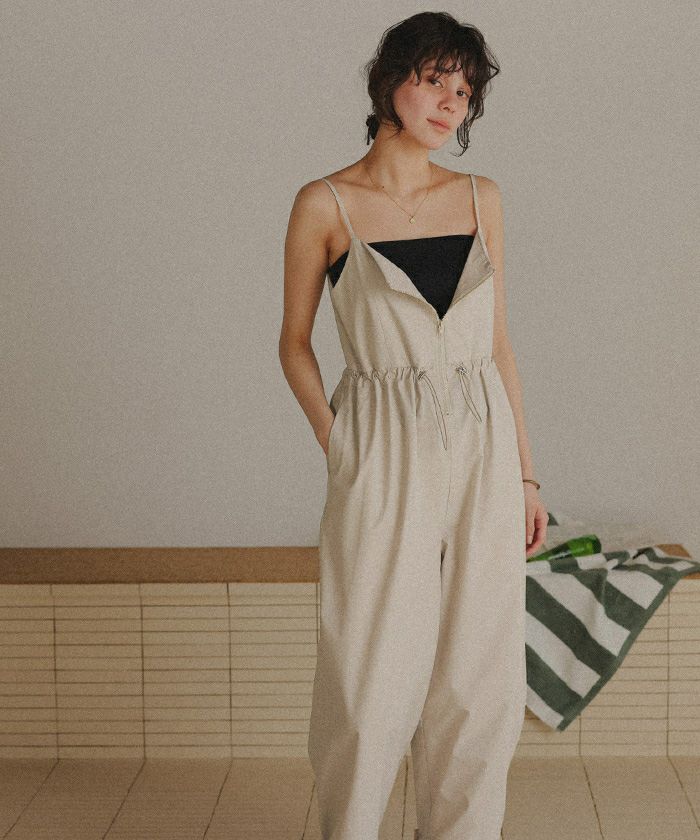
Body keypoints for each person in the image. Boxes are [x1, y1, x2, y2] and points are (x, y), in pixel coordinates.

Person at [278, 11, 547, 839]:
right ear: (390, 81)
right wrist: (341, 443)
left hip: (483, 445)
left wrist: (526, 474)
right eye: (435, 80)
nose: (450, 102)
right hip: (381, 448)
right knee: (370, 670)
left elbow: (497, 344)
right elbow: (293, 344)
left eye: (464, 91)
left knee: (478, 675)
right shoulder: (326, 203)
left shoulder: (479, 197)